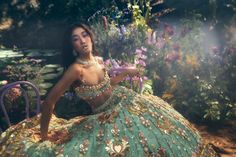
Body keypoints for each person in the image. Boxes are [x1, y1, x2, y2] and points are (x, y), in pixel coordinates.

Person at [0, 23, 218, 157]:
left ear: (91, 37)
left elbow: (105, 88)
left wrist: (124, 73)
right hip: (104, 118)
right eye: (76, 39)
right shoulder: (75, 70)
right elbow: (49, 102)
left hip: (124, 102)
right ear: (72, 46)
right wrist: (44, 136)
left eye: (84, 35)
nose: (82, 41)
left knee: (157, 130)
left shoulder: (98, 60)